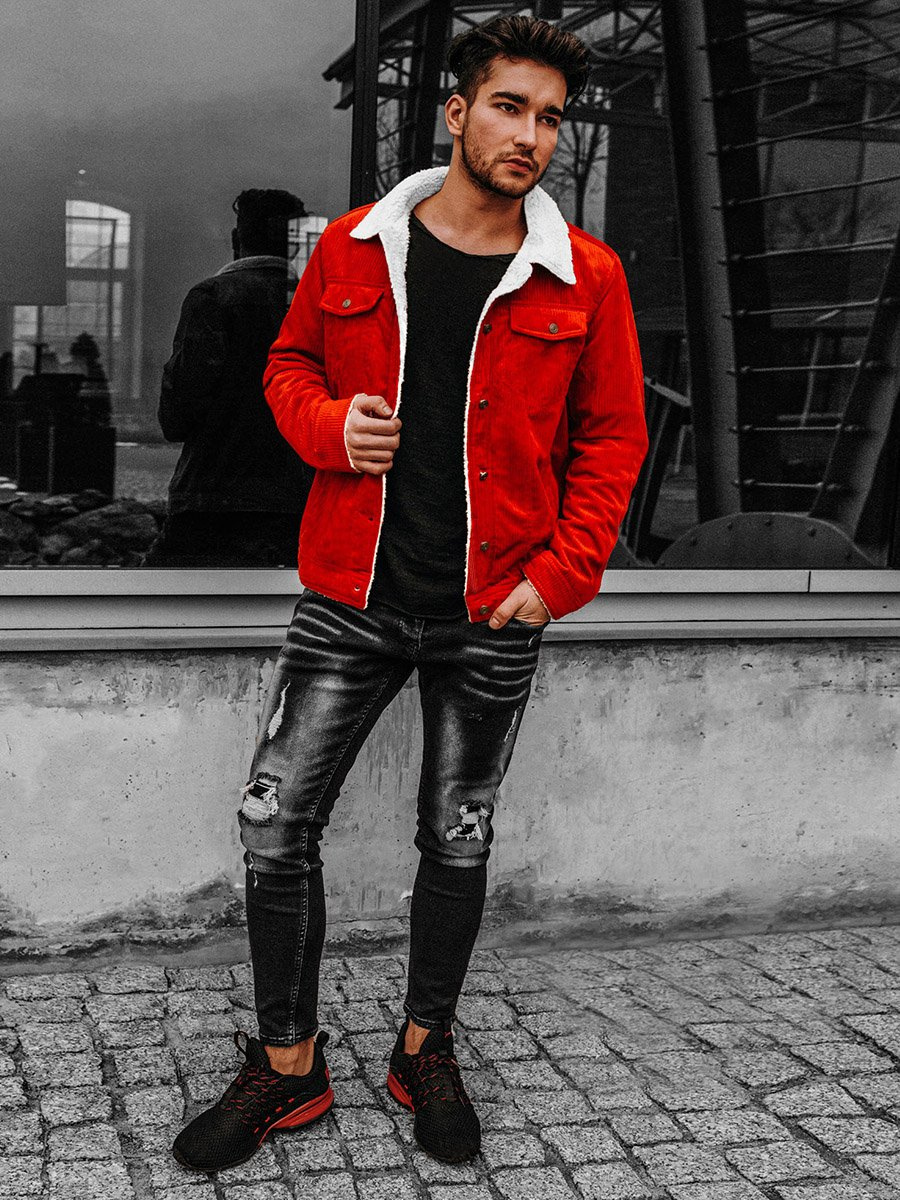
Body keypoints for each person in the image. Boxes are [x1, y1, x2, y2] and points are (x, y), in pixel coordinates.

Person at [172, 14, 648, 1173]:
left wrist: (559, 577)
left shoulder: (587, 275)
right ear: (457, 111)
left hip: (493, 610)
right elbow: (287, 367)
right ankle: (288, 1065)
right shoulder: (353, 247)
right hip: (350, 595)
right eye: (509, 107)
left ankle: (423, 1050)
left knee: (458, 837)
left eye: (550, 117)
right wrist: (330, 428)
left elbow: (614, 438)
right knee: (274, 825)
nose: (530, 135)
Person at [143, 189, 314, 567]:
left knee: (158, 593)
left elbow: (177, 416)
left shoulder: (213, 298)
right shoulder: (316, 303)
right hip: (296, 499)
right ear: (295, 240)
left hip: (213, 498)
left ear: (238, 239)